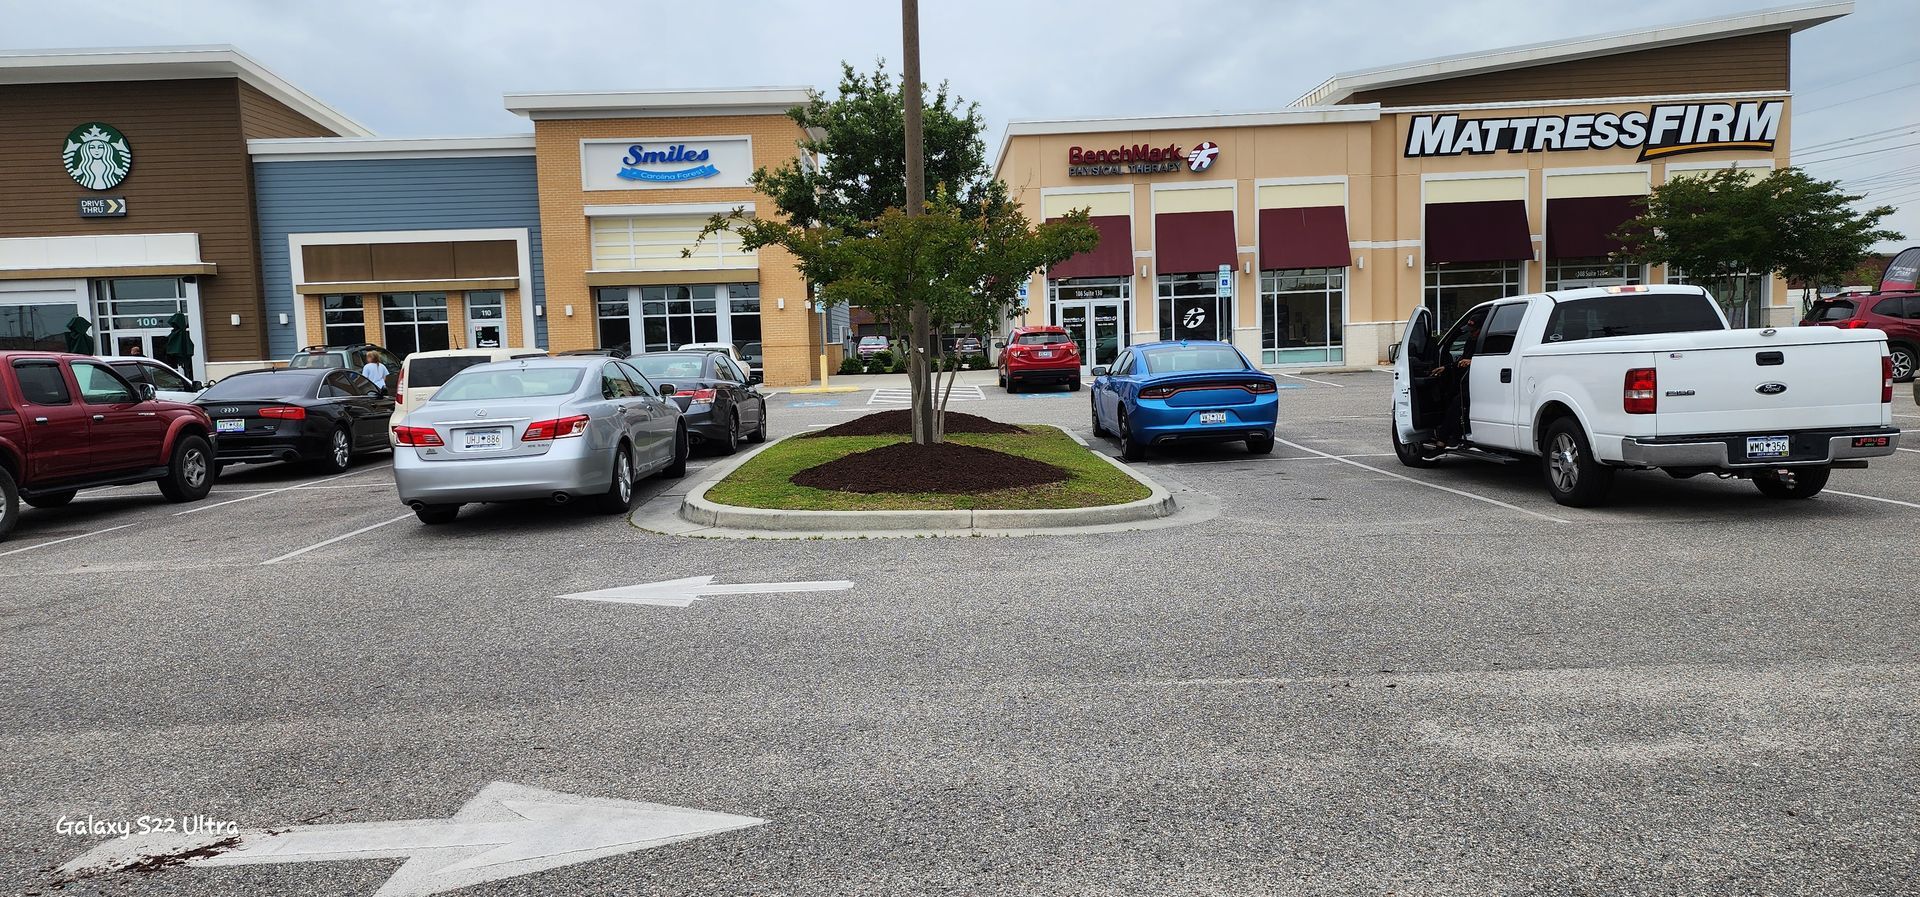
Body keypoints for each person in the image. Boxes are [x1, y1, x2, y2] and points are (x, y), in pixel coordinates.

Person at [1429, 316, 1480, 449]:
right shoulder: (1471, 341)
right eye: (1469, 329)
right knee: (1452, 401)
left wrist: (1472, 362)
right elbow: (1462, 360)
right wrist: (1446, 368)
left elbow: (1490, 359)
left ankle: (1444, 441)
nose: (1471, 333)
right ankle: (1451, 437)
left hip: (1477, 382)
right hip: (1466, 381)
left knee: (1456, 405)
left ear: (1480, 329)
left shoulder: (1487, 342)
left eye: (1473, 330)